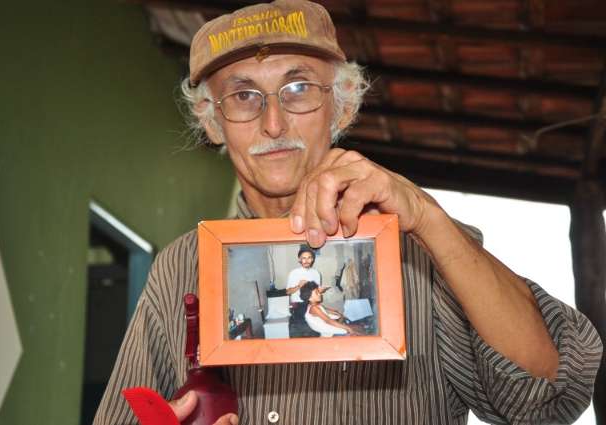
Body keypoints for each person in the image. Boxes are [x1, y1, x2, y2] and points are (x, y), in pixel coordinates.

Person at [93, 1, 602, 424]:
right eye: (243, 95)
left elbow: (550, 396)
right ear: (212, 121)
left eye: (298, 89)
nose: (273, 123)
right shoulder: (181, 268)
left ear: (343, 106)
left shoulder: (422, 248)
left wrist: (427, 217)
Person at [285, 246, 326, 320]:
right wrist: (298, 286)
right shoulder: (294, 273)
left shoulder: (316, 273)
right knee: (303, 329)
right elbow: (288, 292)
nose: (306, 260)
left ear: (312, 259)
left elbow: (317, 291)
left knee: (316, 328)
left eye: (309, 257)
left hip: (313, 304)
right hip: (298, 306)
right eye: (304, 258)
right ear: (299, 260)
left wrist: (321, 290)